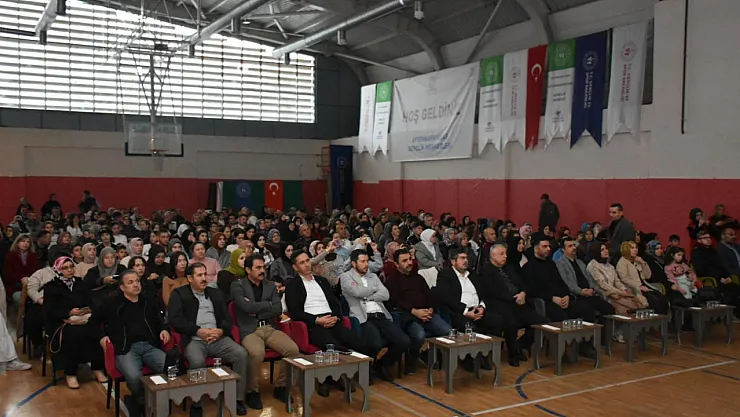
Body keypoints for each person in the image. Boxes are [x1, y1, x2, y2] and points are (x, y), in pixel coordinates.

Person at [284, 250, 370, 397]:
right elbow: (295, 312)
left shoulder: (322, 281)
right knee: (332, 345)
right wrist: (316, 320)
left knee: (358, 342)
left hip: (331, 320)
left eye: (307, 261)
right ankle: (329, 379)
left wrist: (336, 317)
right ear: (295, 267)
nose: (307, 265)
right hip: (312, 324)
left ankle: (345, 375)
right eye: (302, 263)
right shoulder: (292, 285)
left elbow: (335, 303)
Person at [168, 262, 249, 416]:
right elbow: (176, 320)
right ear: (190, 278)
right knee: (197, 361)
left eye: (205, 274)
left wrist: (221, 330)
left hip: (218, 338)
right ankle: (196, 403)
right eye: (199, 275)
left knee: (241, 354)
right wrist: (197, 331)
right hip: (194, 339)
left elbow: (227, 319)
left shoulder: (215, 293)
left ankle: (237, 399)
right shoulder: (179, 294)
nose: (204, 278)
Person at [522, 234, 613, 359]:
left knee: (586, 310)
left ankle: (584, 346)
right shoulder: (529, 267)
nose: (548, 249)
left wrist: (566, 295)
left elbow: (561, 283)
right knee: (561, 316)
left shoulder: (551, 264)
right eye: (544, 246)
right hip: (546, 301)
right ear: (536, 248)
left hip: (562, 298)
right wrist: (553, 298)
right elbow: (533, 290)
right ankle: (561, 350)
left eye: (549, 246)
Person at [98, 270, 170, 417]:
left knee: (170, 368)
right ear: (122, 287)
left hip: (149, 345)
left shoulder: (148, 301)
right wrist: (102, 336)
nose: (136, 285)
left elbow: (160, 320)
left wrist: (164, 329)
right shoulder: (112, 304)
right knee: (134, 377)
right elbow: (93, 323)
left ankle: (155, 401)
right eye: (130, 282)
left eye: (137, 281)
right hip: (126, 348)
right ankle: (140, 401)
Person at [231, 254, 299, 408]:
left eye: (263, 267)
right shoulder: (237, 286)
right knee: (257, 353)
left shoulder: (270, 286)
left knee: (293, 350)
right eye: (258, 268)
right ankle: (252, 391)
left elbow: (277, 309)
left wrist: (255, 307)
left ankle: (281, 387)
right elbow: (245, 307)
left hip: (269, 327)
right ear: (248, 270)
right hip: (250, 329)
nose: (262, 271)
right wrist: (267, 304)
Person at [435, 250, 517, 369]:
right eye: (462, 258)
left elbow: (483, 293)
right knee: (472, 328)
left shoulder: (472, 273)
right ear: (453, 262)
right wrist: (466, 312)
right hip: (459, 312)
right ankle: (468, 359)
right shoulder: (445, 274)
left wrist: (482, 306)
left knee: (498, 321)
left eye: (466, 258)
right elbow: (446, 298)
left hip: (478, 309)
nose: (465, 261)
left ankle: (485, 355)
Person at [340, 249, 410, 382]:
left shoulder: (373, 276)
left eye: (367, 261)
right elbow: (357, 292)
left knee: (403, 341)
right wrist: (373, 289)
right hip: (363, 317)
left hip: (380, 315)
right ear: (354, 264)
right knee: (375, 344)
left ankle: (381, 365)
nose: (366, 264)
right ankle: (365, 367)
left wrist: (368, 297)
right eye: (362, 261)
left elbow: (386, 294)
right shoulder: (346, 277)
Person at [478, 244, 548, 366]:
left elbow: (523, 284)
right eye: (502, 254)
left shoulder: (510, 268)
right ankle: (513, 354)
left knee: (542, 322)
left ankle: (520, 345)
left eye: (505, 253)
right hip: (501, 305)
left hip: (520, 303)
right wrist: (513, 298)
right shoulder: (485, 272)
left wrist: (523, 293)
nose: (505, 256)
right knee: (511, 323)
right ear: (493, 255)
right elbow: (492, 292)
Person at [44, 256, 106, 389]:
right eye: (65, 268)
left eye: (71, 267)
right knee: (73, 334)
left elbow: (90, 302)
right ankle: (70, 373)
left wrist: (86, 311)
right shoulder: (51, 287)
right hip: (62, 322)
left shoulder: (79, 283)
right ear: (58, 270)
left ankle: (97, 368)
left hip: (83, 318)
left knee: (96, 330)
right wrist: (69, 312)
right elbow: (49, 310)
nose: (69, 270)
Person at [385, 248, 450, 375]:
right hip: (408, 316)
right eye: (404, 261)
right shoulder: (392, 280)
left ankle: (427, 354)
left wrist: (430, 309)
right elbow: (395, 302)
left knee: (447, 331)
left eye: (410, 259)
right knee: (419, 335)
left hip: (427, 314)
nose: (409, 263)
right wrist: (414, 311)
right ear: (396, 264)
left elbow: (429, 295)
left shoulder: (418, 277)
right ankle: (411, 359)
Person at [587, 242, 645, 343]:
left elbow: (617, 281)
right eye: (602, 250)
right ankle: (618, 333)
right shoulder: (592, 266)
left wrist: (623, 289)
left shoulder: (610, 266)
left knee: (635, 301)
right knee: (622, 306)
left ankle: (630, 330)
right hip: (602, 293)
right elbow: (603, 285)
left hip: (616, 292)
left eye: (606, 249)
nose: (605, 251)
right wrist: (620, 292)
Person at [691, 229, 740, 314]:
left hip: (723, 278)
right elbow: (701, 270)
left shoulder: (714, 252)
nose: (708, 239)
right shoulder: (696, 253)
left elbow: (722, 266)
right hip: (712, 280)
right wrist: (719, 278)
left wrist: (728, 276)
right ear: (699, 240)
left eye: (709, 237)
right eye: (705, 238)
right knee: (728, 291)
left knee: (736, 288)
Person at [616, 241, 668, 314]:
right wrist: (639, 286)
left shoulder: (637, 260)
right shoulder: (622, 262)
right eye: (632, 248)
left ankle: (664, 320)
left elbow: (648, 276)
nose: (635, 250)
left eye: (636, 247)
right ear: (626, 249)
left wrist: (643, 262)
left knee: (662, 299)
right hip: (633, 288)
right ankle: (655, 320)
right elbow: (624, 279)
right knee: (654, 301)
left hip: (645, 285)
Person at [3, 234, 40, 303]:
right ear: (17, 243)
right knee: (19, 298)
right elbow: (8, 274)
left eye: (28, 242)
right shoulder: (10, 255)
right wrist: (21, 278)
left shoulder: (33, 256)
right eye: (23, 241)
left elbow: (37, 271)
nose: (26, 244)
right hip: (15, 286)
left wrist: (29, 279)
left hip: (32, 285)